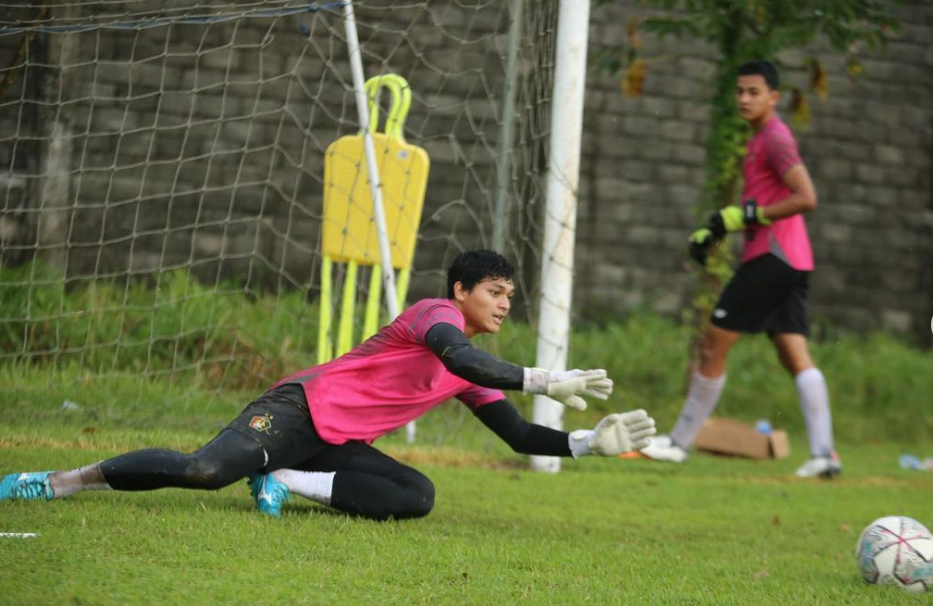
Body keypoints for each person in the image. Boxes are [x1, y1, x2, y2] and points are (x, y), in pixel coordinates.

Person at [1, 250, 656, 519]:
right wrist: (541, 376)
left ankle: (285, 482)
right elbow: (458, 358)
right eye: (495, 291)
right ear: (460, 290)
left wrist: (587, 444)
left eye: (511, 295)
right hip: (296, 411)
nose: (504, 303)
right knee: (202, 471)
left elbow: (515, 433)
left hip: (324, 445)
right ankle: (58, 480)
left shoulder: (472, 365)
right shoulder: (436, 317)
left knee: (416, 495)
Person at [641, 60, 840, 478]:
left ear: (774, 96)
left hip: (774, 259)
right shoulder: (757, 141)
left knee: (714, 342)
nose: (745, 99)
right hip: (794, 261)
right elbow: (745, 213)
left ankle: (678, 443)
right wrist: (716, 230)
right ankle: (825, 455)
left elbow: (806, 198)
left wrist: (752, 215)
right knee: (794, 353)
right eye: (740, 91)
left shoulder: (776, 140)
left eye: (754, 92)